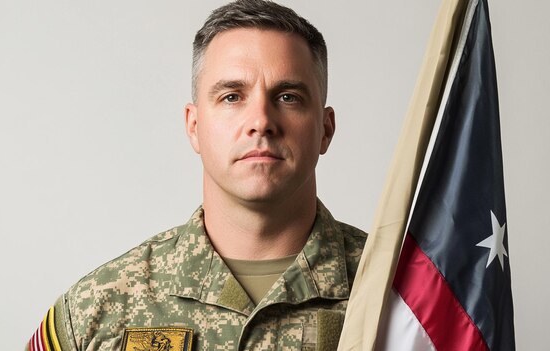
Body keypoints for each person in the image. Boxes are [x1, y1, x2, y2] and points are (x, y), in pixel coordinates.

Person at [26, 1, 367, 350]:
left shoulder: (403, 293)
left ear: (325, 130)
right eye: (232, 96)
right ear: (194, 126)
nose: (261, 121)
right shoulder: (93, 310)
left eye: (288, 97)